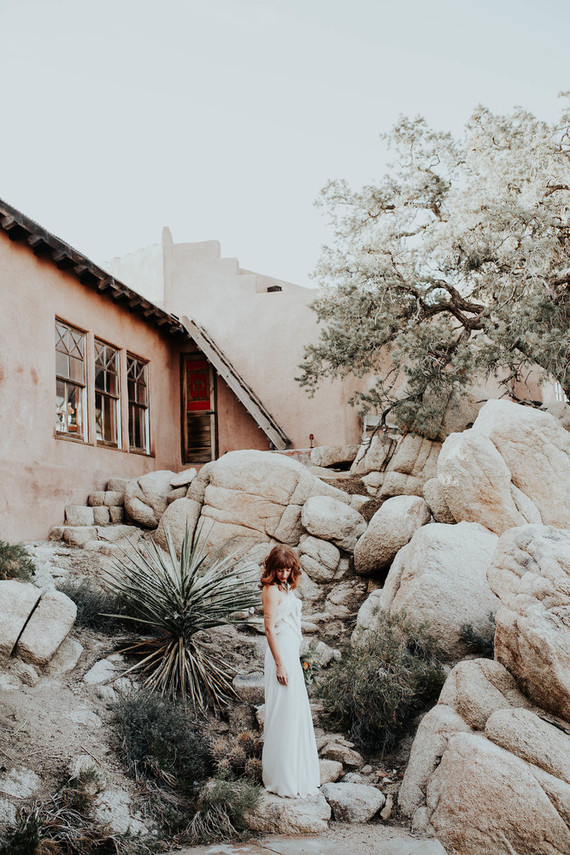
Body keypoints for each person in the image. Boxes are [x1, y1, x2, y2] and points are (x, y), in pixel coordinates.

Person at [260, 544, 320, 798]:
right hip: (280, 656)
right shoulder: (271, 590)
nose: (284, 574)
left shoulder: (286, 587)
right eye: (280, 570)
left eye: (288, 569)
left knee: (294, 712)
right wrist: (280, 664)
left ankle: (296, 773)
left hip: (291, 654)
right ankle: (281, 778)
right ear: (272, 569)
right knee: (283, 713)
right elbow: (269, 629)